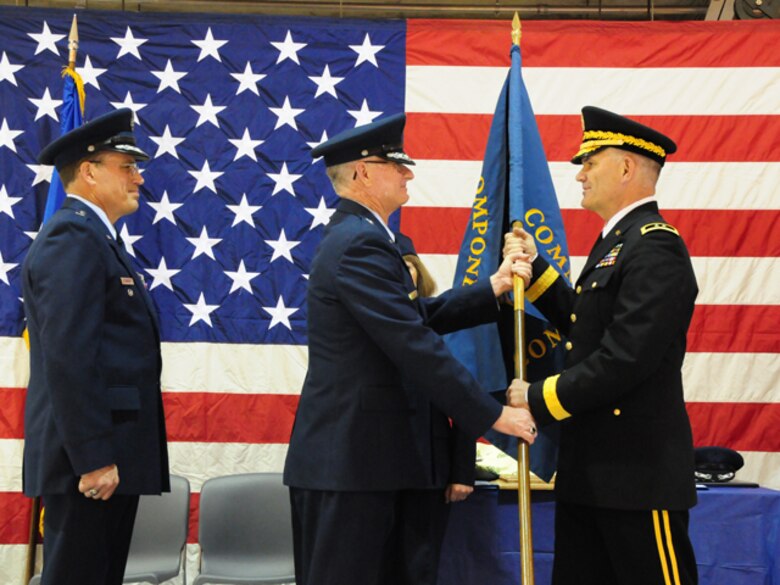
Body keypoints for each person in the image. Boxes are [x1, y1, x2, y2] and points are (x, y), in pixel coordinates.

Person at [283, 113, 538, 585]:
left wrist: (492, 288)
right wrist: (491, 414)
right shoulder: (357, 243)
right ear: (362, 172)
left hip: (379, 462)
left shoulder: (368, 239)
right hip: (352, 466)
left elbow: (413, 320)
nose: (408, 173)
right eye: (394, 164)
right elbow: (413, 342)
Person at [505, 106, 699, 585]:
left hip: (637, 478)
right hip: (592, 473)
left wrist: (535, 397)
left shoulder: (655, 245)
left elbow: (624, 358)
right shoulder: (619, 242)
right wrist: (537, 273)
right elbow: (584, 326)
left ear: (627, 167)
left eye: (590, 162)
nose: (581, 175)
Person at [22, 108, 170, 585]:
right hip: (87, 462)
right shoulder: (73, 238)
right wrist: (93, 457)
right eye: (126, 166)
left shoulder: (98, 240)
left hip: (108, 454)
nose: (139, 178)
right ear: (88, 172)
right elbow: (70, 358)